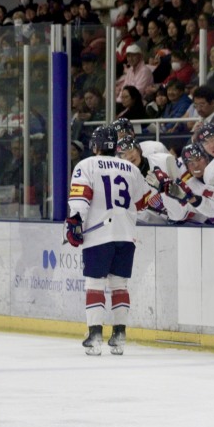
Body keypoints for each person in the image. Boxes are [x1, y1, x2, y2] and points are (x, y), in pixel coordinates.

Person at [66, 126, 149, 356]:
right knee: (119, 285)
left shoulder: (87, 165)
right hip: (126, 235)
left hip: (99, 235)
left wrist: (74, 224)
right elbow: (143, 204)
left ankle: (94, 336)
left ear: (95, 146)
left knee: (94, 284)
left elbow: (80, 200)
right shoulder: (131, 168)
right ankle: (119, 336)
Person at [115, 135, 187, 224]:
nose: (129, 156)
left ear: (139, 149)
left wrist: (164, 189)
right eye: (124, 154)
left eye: (131, 150)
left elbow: (180, 210)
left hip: (188, 215)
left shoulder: (164, 161)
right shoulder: (125, 182)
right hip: (159, 225)